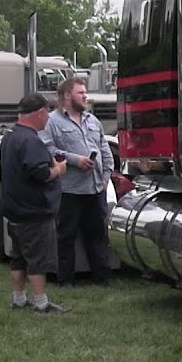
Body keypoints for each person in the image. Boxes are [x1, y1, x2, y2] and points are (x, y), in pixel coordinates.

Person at [42, 76, 115, 287]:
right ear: (67, 96)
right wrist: (74, 160)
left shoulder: (93, 121)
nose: (85, 96)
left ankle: (102, 277)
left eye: (85, 92)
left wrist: (105, 177)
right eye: (80, 93)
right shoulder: (52, 122)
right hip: (69, 190)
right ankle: (65, 280)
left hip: (95, 188)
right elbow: (47, 150)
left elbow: (104, 150)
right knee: (66, 235)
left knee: (97, 234)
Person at [0, 93, 69, 313]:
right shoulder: (30, 140)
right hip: (34, 211)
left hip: (15, 209)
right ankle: (41, 303)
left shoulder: (9, 136)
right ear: (39, 113)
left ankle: (18, 299)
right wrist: (58, 169)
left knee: (18, 258)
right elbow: (40, 173)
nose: (48, 118)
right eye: (47, 113)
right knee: (37, 259)